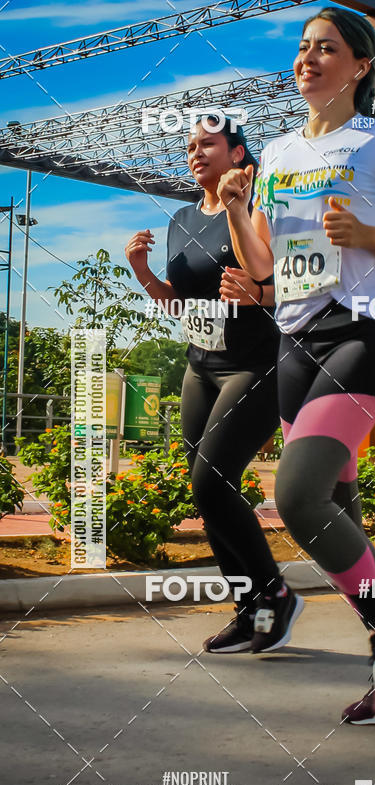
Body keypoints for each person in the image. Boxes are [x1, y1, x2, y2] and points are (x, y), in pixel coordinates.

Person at [217, 7, 375, 721]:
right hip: (296, 341)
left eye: (326, 48)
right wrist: (235, 209)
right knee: (335, 515)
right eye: (301, 48)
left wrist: (367, 233)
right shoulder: (280, 153)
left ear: (358, 66)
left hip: (362, 333)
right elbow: (266, 264)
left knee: (297, 497)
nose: (307, 58)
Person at [125, 115, 304, 653]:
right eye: (189, 147)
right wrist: (143, 270)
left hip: (257, 364)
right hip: (200, 365)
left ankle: (274, 593)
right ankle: (249, 608)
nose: (195, 153)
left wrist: (260, 294)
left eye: (207, 144)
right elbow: (177, 302)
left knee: (210, 480)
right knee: (210, 491)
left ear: (238, 155)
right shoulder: (182, 218)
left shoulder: (261, 209)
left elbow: (306, 284)